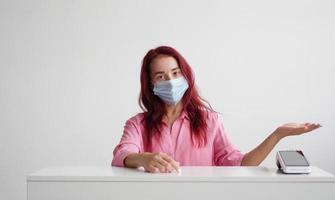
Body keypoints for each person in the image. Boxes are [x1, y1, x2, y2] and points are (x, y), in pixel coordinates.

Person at [111, 46, 321, 173]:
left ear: (186, 76)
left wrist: (277, 135)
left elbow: (241, 164)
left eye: (175, 73)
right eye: (160, 76)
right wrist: (143, 158)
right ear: (150, 85)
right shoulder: (137, 124)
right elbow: (122, 154)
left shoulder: (210, 121)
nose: (171, 81)